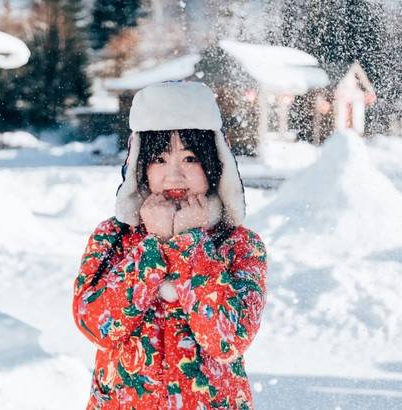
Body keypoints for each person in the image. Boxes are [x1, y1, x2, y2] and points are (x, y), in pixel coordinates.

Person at [73, 81, 267, 409]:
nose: (174, 176)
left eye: (190, 158)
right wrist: (154, 247)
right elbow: (97, 326)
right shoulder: (113, 238)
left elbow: (227, 341)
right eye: (159, 159)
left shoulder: (240, 246)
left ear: (214, 163)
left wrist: (188, 246)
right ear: (139, 166)